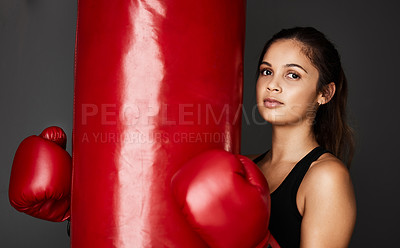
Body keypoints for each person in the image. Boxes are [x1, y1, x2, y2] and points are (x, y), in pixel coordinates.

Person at [248, 27, 356, 248]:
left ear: (324, 94)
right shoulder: (244, 166)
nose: (272, 85)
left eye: (292, 75)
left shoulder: (326, 178)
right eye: (266, 71)